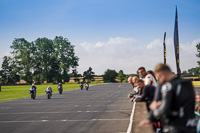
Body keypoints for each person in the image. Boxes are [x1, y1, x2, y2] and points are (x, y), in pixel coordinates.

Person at [141, 64, 196, 133]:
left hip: (175, 127)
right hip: (191, 125)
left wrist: (155, 108)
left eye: (159, 78)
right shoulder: (187, 83)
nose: (160, 81)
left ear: (162, 74)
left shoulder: (168, 86)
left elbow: (165, 111)